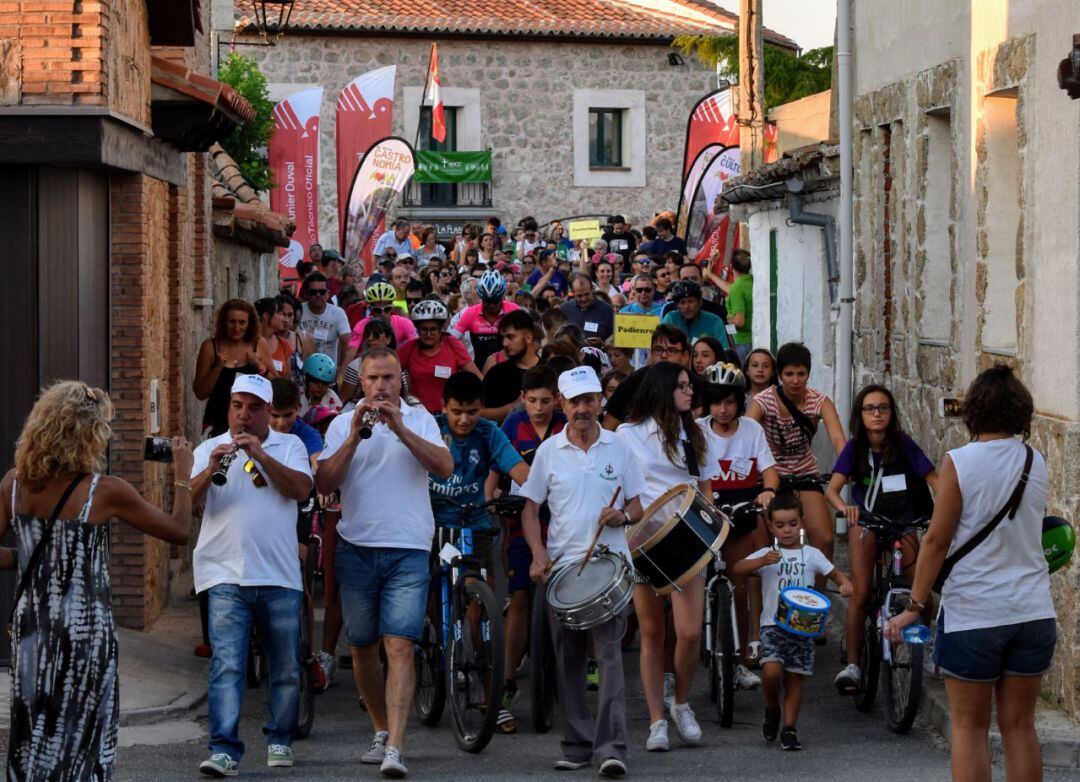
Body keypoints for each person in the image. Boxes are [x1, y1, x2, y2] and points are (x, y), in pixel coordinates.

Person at [0, 382, 193, 781]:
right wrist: (183, 477)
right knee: (82, 734)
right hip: (84, 633)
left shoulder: (12, 484)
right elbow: (178, 531)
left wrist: (30, 557)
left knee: (35, 729)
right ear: (87, 435)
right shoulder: (104, 492)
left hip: (32, 630)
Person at [885, 365, 1057, 782]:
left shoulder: (959, 463)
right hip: (1032, 611)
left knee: (969, 727)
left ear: (974, 411)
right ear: (1019, 411)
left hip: (975, 613)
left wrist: (915, 605)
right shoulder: (1036, 461)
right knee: (1020, 727)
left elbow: (936, 541)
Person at [315, 348, 453, 779]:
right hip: (356, 547)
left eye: (389, 378)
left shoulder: (421, 418)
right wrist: (356, 436)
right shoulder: (342, 424)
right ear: (361, 382)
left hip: (409, 548)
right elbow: (324, 483)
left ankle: (396, 744)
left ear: (401, 381)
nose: (380, 386)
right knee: (362, 647)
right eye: (373, 378)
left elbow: (445, 467)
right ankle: (379, 729)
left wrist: (401, 429)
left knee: (399, 644)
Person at [521, 366, 646, 777]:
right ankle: (576, 745)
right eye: (574, 401)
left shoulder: (619, 446)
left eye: (589, 399)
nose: (582, 408)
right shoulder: (548, 452)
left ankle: (611, 747)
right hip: (563, 571)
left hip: (609, 569)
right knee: (568, 660)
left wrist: (620, 517)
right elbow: (531, 507)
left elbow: (637, 507)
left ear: (599, 402)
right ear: (563, 403)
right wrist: (538, 554)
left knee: (610, 659)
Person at [190, 373, 314, 776]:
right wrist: (209, 469)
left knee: (286, 664)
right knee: (227, 664)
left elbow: (300, 489)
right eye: (237, 406)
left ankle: (280, 738)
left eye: (254, 408)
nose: (244, 415)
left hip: (278, 574)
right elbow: (188, 505)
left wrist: (260, 455)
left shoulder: (290, 445)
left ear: (266, 412)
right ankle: (224, 748)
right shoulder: (210, 447)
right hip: (224, 572)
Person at [615, 361, 711, 751]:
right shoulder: (626, 434)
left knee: (689, 632)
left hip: (687, 536)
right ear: (662, 390)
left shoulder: (696, 434)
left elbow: (705, 487)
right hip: (644, 540)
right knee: (652, 634)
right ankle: (657, 721)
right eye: (683, 386)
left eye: (690, 386)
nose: (691, 392)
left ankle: (682, 702)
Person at [826, 385, 938, 693]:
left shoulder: (903, 445)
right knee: (861, 594)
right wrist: (845, 508)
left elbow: (934, 480)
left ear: (891, 413)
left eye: (883, 408)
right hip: (867, 523)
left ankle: (923, 647)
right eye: (870, 408)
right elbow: (832, 490)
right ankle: (853, 665)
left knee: (922, 592)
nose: (877, 414)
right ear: (860, 415)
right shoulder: (854, 448)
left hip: (904, 522)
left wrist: (943, 509)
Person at [734, 494, 853, 751]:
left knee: (796, 679)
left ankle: (789, 729)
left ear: (802, 523)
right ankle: (772, 707)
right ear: (770, 525)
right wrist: (760, 561)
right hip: (772, 625)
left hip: (803, 627)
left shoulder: (811, 554)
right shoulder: (768, 553)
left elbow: (833, 572)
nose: (787, 530)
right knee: (772, 671)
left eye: (792, 523)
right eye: (779, 525)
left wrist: (844, 583)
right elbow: (740, 567)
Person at [699, 362, 778, 687]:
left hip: (744, 509)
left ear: (739, 403)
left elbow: (769, 469)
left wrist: (769, 491)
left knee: (739, 589)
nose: (722, 409)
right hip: (708, 512)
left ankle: (742, 660)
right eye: (716, 402)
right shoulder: (696, 430)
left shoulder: (752, 430)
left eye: (729, 402)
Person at [496, 367, 566, 730]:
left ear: (557, 398)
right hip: (521, 522)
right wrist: (492, 493)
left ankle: (578, 669)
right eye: (532, 400)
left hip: (561, 522)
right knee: (520, 597)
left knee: (565, 598)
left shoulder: (565, 424)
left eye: (546, 400)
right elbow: (497, 469)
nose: (539, 407)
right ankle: (507, 681)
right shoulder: (512, 425)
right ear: (522, 398)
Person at [746, 342, 846, 588]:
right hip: (768, 477)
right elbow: (746, 435)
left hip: (804, 473)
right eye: (789, 374)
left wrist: (846, 467)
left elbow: (837, 439)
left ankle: (817, 598)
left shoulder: (819, 401)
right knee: (763, 547)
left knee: (824, 538)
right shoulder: (763, 401)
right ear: (779, 375)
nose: (795, 380)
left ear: (808, 374)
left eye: (801, 374)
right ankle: (767, 601)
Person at [194, 299, 272, 437]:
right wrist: (218, 367)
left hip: (251, 423)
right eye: (232, 321)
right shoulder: (210, 347)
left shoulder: (258, 344)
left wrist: (259, 366)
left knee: (249, 459)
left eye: (242, 322)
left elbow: (276, 383)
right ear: (223, 322)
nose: (236, 328)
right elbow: (200, 392)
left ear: (250, 324)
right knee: (217, 459)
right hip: (217, 423)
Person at [397, 299, 480, 414]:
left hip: (447, 415)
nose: (428, 334)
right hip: (417, 415)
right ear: (418, 329)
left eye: (433, 329)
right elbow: (388, 369)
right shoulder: (410, 348)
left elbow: (476, 377)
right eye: (424, 330)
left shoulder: (452, 344)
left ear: (440, 329)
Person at [602, 325, 693, 429]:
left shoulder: (692, 382)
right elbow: (608, 428)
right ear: (651, 352)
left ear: (684, 355)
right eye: (658, 350)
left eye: (671, 350)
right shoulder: (633, 382)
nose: (663, 355)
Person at [449, 270, 520, 372]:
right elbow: (450, 340)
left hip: (510, 369)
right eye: (488, 301)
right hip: (479, 370)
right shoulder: (470, 313)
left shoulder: (514, 310)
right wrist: (465, 363)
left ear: (502, 297)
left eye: (495, 301)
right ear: (482, 297)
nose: (492, 305)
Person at [481, 309, 540, 422]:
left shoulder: (548, 371)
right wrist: (514, 407)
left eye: (511, 337)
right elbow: (480, 413)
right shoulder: (496, 373)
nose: (505, 343)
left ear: (528, 337)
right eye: (503, 338)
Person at [346, 281, 418, 361]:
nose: (383, 314)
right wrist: (342, 372)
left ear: (392, 308)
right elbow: (351, 351)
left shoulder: (405, 323)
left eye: (387, 309)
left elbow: (416, 348)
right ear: (370, 309)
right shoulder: (362, 325)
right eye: (377, 310)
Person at [299, 273, 352, 372]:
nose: (318, 295)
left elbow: (347, 340)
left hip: (329, 370)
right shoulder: (299, 311)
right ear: (306, 294)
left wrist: (341, 368)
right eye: (313, 292)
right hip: (303, 370)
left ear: (328, 294)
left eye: (322, 292)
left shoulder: (338, 313)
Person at [662, 281, 730, 345]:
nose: (687, 307)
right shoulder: (670, 319)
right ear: (677, 305)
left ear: (700, 302)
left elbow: (723, 351)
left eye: (691, 301)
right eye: (682, 302)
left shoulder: (714, 321)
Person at [561, 274, 615, 342]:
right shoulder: (565, 309)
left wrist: (604, 344)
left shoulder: (607, 310)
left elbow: (614, 336)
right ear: (573, 293)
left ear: (592, 289)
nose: (584, 299)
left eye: (587, 294)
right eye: (579, 296)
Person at [726, 249, 754, 362]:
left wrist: (729, 320)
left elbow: (739, 322)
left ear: (731, 265)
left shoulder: (737, 287)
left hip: (743, 342)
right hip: (754, 337)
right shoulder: (753, 281)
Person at [256, 297, 293, 377]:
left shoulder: (284, 344)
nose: (284, 319)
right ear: (266, 316)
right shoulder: (252, 343)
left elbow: (288, 377)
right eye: (280, 314)